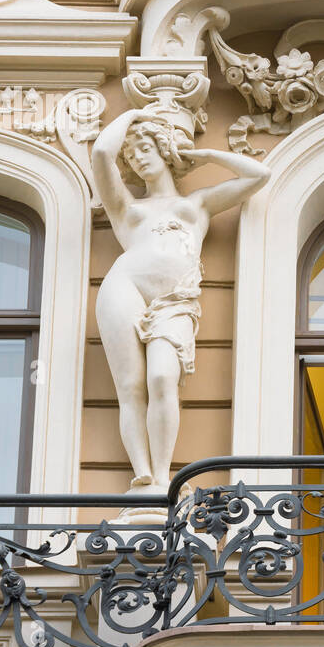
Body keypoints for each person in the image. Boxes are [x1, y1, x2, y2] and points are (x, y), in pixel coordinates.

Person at [91, 106, 272, 495]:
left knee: (161, 377)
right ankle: (144, 477)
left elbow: (259, 175)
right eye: (132, 155)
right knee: (131, 384)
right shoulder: (127, 209)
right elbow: (102, 154)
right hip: (124, 288)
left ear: (164, 149)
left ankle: (162, 475)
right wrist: (135, 113)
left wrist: (205, 157)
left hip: (176, 300)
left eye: (144, 148)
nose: (138, 159)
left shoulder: (198, 204)